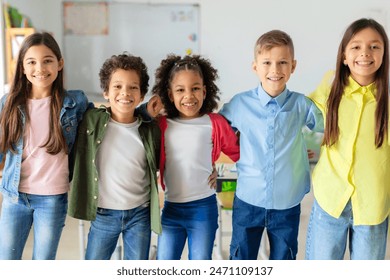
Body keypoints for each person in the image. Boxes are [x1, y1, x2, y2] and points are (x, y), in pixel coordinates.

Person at [219, 30, 324, 260]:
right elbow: (216, 131)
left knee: (283, 261)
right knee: (241, 261)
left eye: (282, 62)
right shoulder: (239, 104)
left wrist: (297, 152)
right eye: (267, 62)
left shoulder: (301, 104)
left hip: (287, 203)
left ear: (293, 66)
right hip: (248, 200)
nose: (275, 70)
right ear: (255, 66)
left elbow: (329, 126)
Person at [305, 18, 390, 260]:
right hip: (330, 200)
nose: (365, 53)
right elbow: (301, 114)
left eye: (375, 46)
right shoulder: (330, 85)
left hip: (372, 206)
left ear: (384, 55)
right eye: (356, 46)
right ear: (344, 55)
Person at [0, 32, 90, 260]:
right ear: (22, 67)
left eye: (48, 60)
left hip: (52, 198)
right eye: (31, 62)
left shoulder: (74, 102)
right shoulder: (8, 103)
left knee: (43, 264)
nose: (40, 68)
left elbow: (108, 118)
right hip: (14, 196)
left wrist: (144, 112)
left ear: (59, 64)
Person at [67, 53, 161, 260]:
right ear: (106, 92)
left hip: (140, 213)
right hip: (103, 213)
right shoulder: (91, 120)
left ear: (142, 94)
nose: (125, 93)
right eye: (117, 86)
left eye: (133, 87)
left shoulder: (150, 129)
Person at [151, 54, 240, 260]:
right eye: (180, 90)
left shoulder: (214, 122)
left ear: (204, 91)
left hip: (203, 209)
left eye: (195, 88)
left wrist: (222, 172)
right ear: (170, 95)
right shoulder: (162, 124)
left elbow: (240, 154)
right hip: (171, 208)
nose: (189, 96)